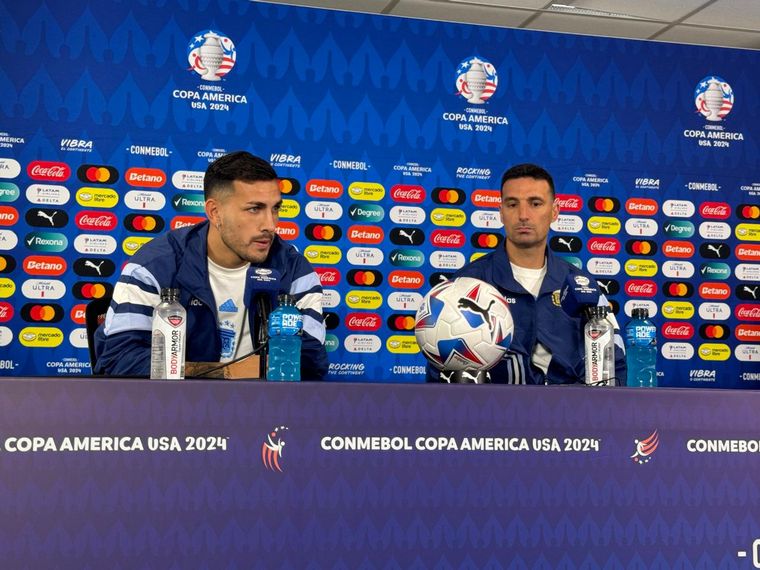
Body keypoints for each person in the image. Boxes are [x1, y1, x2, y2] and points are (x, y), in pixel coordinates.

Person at [94, 151, 328, 380]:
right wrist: (225, 373)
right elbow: (119, 358)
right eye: (254, 209)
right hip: (178, 409)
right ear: (215, 212)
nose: (270, 224)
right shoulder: (155, 266)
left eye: (275, 208)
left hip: (263, 411)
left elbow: (312, 361)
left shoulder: (293, 269)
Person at [427, 163, 626, 385]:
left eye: (535, 203)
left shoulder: (582, 285)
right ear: (501, 212)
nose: (523, 215)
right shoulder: (467, 283)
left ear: (554, 211)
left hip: (568, 415)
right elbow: (442, 372)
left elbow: (613, 367)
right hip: (491, 416)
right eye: (512, 204)